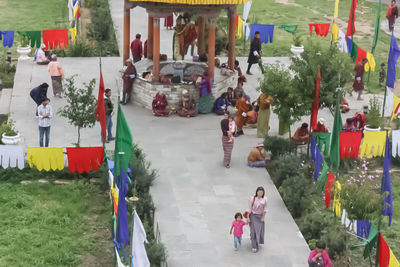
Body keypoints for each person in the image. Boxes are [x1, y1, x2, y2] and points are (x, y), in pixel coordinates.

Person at [246, 186, 268, 253]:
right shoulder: (253, 198)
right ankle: (254, 246)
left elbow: (265, 209)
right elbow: (249, 208)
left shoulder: (265, 199)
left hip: (260, 216)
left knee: (258, 231)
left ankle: (257, 242)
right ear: (257, 192)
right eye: (259, 192)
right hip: (253, 216)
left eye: (261, 192)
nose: (260, 193)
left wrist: (263, 217)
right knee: (253, 231)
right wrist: (248, 217)